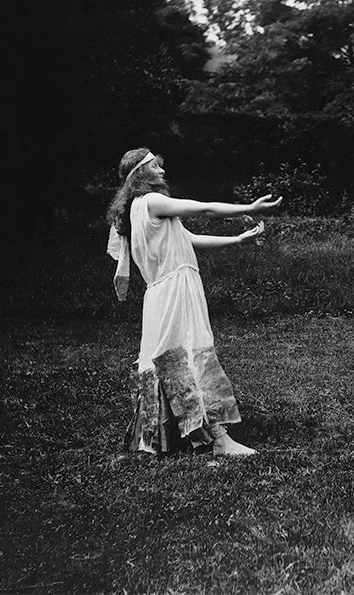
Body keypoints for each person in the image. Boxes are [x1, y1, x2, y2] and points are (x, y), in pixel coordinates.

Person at [106, 147, 282, 456]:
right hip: (175, 290)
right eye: (155, 167)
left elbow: (189, 238)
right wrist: (248, 206)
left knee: (167, 360)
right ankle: (219, 439)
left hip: (160, 295)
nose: (162, 171)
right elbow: (203, 210)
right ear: (143, 175)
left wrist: (237, 240)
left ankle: (163, 436)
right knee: (192, 354)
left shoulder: (136, 210)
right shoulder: (152, 202)